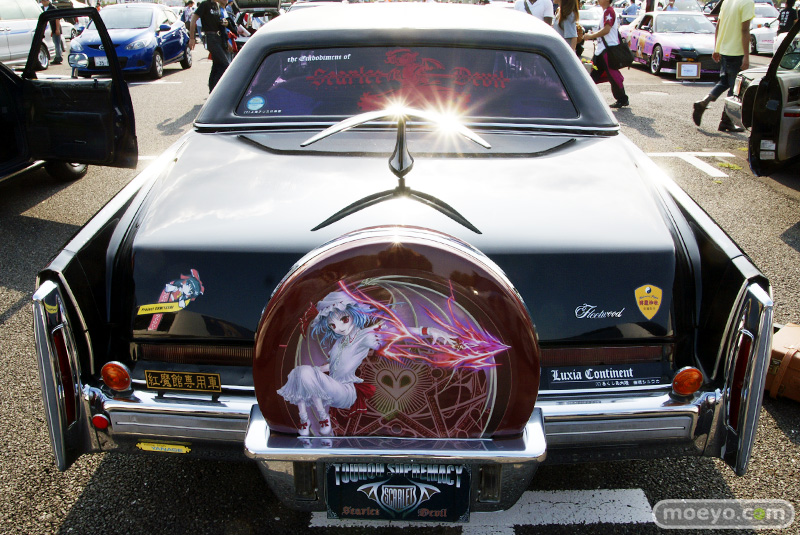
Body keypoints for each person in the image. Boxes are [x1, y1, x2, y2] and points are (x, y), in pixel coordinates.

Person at [692, 0, 754, 131]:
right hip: (737, 52)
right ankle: (726, 121)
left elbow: (718, 26)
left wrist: (717, 48)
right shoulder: (747, 2)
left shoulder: (727, 1)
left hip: (725, 50)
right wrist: (746, 56)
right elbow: (744, 30)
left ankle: (704, 102)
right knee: (735, 89)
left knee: (724, 82)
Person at [583, 0, 630, 108]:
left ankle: (622, 98)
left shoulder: (609, 11)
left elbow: (606, 30)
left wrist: (591, 36)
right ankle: (584, 97)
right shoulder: (606, 12)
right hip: (602, 50)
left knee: (612, 75)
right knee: (592, 75)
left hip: (607, 50)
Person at [190, 0, 230, 93]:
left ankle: (212, 91)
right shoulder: (205, 4)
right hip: (210, 37)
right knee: (225, 65)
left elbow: (220, 26)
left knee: (216, 65)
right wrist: (192, 38)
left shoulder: (217, 5)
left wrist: (227, 42)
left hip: (219, 37)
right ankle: (216, 90)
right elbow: (193, 20)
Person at [41, 0, 63, 65]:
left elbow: (57, 19)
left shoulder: (53, 8)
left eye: (45, 0)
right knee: (55, 43)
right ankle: (57, 56)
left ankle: (58, 57)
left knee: (57, 43)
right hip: (50, 29)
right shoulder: (42, 8)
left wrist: (57, 29)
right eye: (42, 1)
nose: (44, 2)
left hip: (55, 28)